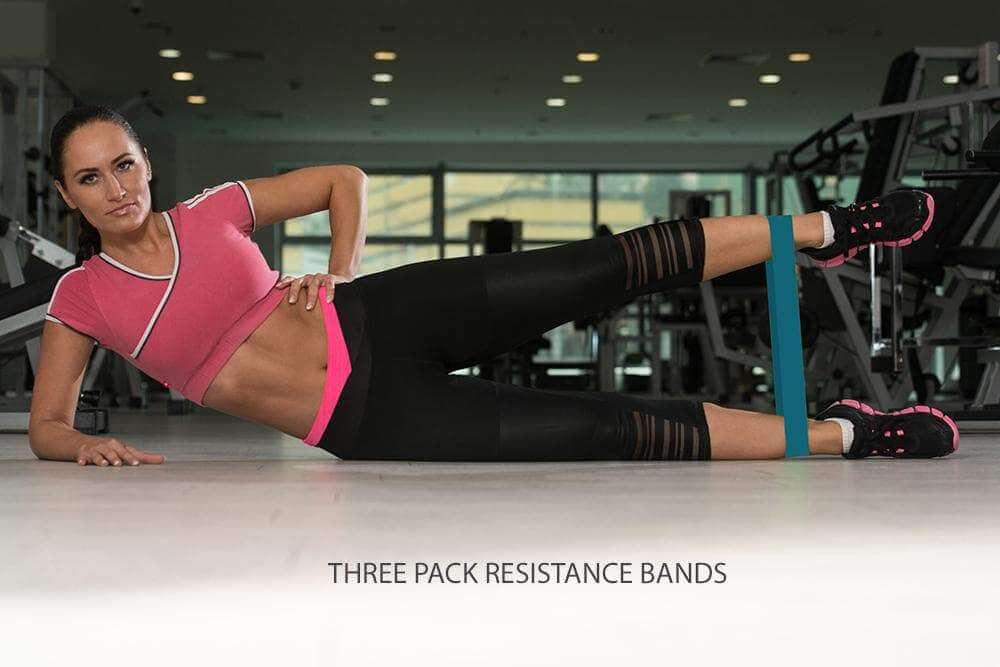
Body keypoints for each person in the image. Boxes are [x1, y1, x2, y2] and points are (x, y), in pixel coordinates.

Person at [28, 105, 959, 467]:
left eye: (124, 164)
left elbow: (343, 179)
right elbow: (47, 425)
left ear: (146, 162)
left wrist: (341, 270)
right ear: (69, 197)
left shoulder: (212, 210)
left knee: (602, 265)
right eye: (90, 178)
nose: (116, 188)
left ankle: (829, 229)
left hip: (385, 316)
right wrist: (85, 447)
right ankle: (848, 433)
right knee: (609, 431)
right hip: (368, 421)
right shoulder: (83, 299)